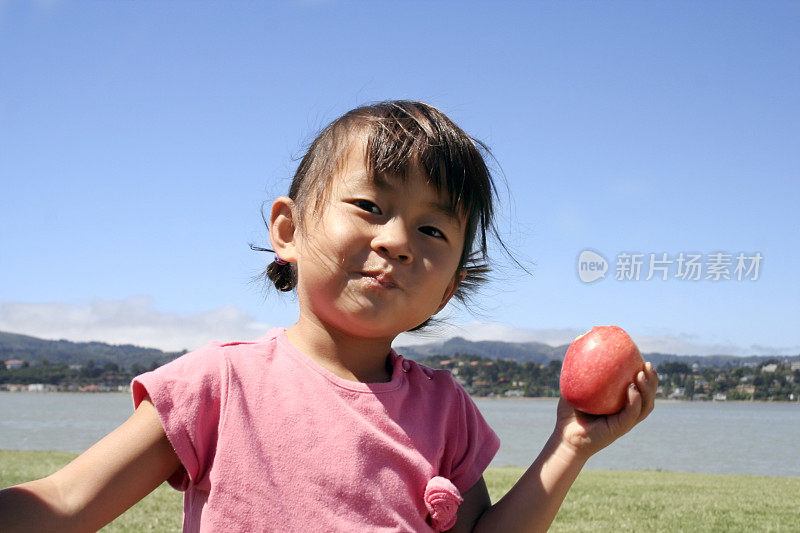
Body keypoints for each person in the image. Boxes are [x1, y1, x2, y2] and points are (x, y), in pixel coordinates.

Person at [0, 100, 657, 532]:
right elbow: (63, 503)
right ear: (288, 227)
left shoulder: (445, 411)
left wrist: (570, 444)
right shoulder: (218, 385)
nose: (398, 239)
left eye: (432, 229)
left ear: (450, 288)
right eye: (371, 206)